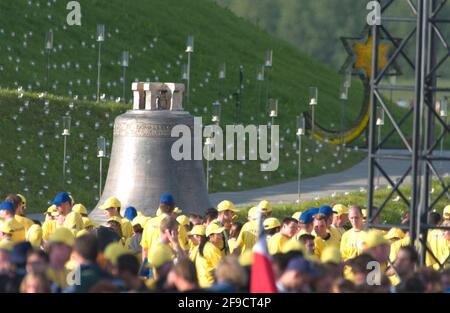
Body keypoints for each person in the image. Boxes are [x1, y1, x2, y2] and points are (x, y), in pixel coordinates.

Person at [195, 222, 226, 288]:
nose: (222, 236)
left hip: (202, 284)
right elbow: (222, 269)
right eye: (219, 234)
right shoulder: (212, 249)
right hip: (211, 285)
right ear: (211, 236)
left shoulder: (205, 246)